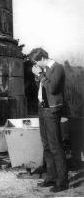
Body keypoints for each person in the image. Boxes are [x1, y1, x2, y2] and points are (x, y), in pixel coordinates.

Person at [30, 48, 68, 193]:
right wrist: (37, 77)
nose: (36, 64)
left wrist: (39, 74)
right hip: (42, 108)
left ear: (42, 58)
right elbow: (41, 88)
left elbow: (52, 89)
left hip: (52, 110)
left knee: (56, 146)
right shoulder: (45, 68)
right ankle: (51, 177)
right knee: (46, 145)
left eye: (36, 62)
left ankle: (62, 182)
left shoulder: (57, 68)